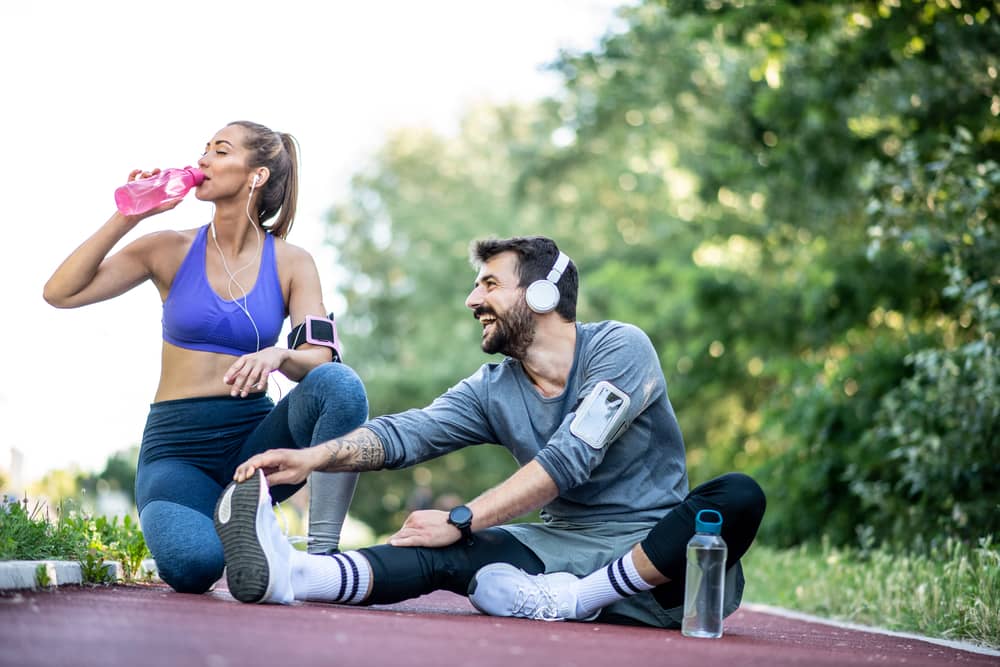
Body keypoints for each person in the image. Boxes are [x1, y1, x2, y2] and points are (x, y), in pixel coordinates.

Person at [215, 236, 765, 627]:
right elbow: (409, 433)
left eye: (490, 284)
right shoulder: (493, 388)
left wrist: (462, 517)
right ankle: (295, 575)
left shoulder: (621, 348)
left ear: (542, 295)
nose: (472, 300)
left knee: (738, 495)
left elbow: (569, 460)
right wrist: (314, 457)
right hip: (559, 554)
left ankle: (582, 600)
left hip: (660, 567)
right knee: (439, 549)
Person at [43, 120, 368, 594]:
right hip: (178, 451)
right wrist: (128, 216)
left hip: (254, 446)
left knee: (341, 385)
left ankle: (321, 560)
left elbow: (319, 360)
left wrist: (279, 354)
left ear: (256, 175)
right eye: (205, 150)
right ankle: (238, 526)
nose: (202, 160)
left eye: (220, 151)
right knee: (194, 566)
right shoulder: (168, 248)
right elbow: (60, 293)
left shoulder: (292, 262)